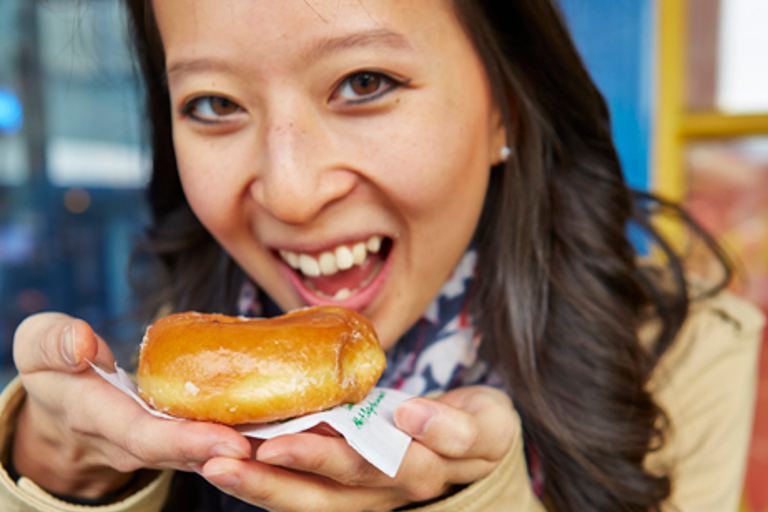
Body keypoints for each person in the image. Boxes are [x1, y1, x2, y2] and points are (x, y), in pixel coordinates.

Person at [1, 0, 763, 511]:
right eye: (215, 104)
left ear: (507, 103)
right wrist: (51, 474)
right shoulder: (175, 371)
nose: (292, 195)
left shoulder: (687, 357)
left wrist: (473, 499)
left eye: (365, 83)